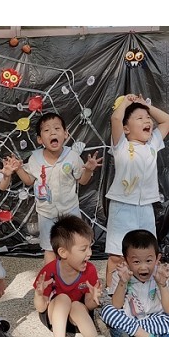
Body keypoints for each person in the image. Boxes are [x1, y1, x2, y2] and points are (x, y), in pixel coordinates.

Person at [104, 94, 169, 290]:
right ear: (126, 129)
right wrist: (127, 102)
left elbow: (167, 120)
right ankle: (111, 292)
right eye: (139, 118)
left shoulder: (153, 144)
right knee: (117, 255)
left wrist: (145, 105)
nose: (147, 121)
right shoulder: (121, 146)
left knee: (146, 252)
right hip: (122, 207)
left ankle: (142, 290)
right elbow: (115, 118)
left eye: (148, 118)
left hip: (145, 209)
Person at [15, 112, 102, 265]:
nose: (53, 133)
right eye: (47, 130)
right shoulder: (35, 159)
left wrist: (88, 170)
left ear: (66, 134)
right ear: (40, 139)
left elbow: (82, 181)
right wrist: (18, 169)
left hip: (70, 211)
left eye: (57, 128)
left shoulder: (72, 156)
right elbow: (28, 181)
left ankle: (75, 274)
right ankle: (51, 277)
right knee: (50, 249)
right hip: (46, 213)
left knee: (74, 246)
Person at [33, 214, 113, 337]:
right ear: (63, 252)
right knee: (63, 298)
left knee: (76, 305)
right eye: (83, 249)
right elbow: (41, 308)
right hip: (54, 316)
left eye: (90, 247)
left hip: (78, 317)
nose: (89, 253)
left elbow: (88, 306)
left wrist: (94, 299)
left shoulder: (90, 270)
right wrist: (39, 295)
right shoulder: (49, 271)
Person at [100, 229, 169, 337]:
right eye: (136, 262)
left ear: (157, 258)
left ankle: (129, 332)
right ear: (126, 261)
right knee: (107, 311)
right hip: (129, 316)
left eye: (149, 261)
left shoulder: (159, 274)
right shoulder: (120, 274)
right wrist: (122, 282)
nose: (143, 267)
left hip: (153, 317)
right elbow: (117, 305)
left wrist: (162, 285)